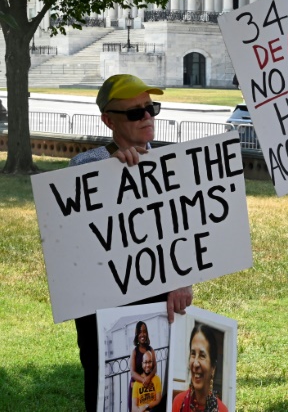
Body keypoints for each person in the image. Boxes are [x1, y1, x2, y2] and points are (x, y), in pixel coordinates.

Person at [70, 74, 193, 411]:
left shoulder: (170, 167)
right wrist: (113, 176)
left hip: (161, 305)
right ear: (108, 120)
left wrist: (182, 280)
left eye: (150, 108)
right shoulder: (85, 166)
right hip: (103, 312)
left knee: (160, 395)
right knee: (109, 396)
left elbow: (184, 233)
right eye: (136, 113)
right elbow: (74, 247)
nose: (147, 117)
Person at [172, 323, 228, 412]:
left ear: (213, 368)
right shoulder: (178, 403)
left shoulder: (222, 410)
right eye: (193, 354)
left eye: (202, 355)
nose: (195, 364)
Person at [129, 321, 157, 412]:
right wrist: (144, 380)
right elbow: (132, 372)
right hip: (136, 387)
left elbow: (155, 368)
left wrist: (149, 378)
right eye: (140, 332)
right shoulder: (134, 351)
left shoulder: (150, 349)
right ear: (137, 334)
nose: (142, 334)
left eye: (144, 331)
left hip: (147, 388)